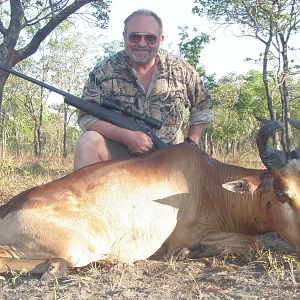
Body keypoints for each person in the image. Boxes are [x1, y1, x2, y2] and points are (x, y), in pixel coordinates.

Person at [74, 9, 214, 171]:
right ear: (124, 36)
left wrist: (191, 144)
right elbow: (86, 116)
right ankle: (85, 197)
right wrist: (126, 136)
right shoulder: (104, 70)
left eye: (150, 38)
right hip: (119, 153)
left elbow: (203, 105)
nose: (141, 43)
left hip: (169, 154)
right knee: (87, 141)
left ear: (161, 39)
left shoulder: (180, 69)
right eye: (135, 37)